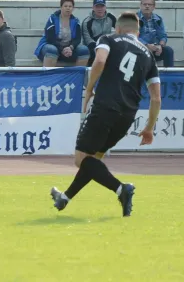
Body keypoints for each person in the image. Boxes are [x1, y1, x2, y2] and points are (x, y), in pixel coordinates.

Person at [49, 11, 162, 217]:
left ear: (118, 28)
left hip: (106, 106)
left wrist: (89, 89)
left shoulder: (109, 38)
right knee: (94, 159)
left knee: (81, 159)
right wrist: (149, 128)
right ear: (138, 31)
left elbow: (99, 61)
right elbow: (156, 98)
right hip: (127, 115)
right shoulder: (148, 55)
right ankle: (65, 198)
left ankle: (121, 189)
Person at [34, 0, 90, 67]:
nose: (68, 8)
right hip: (52, 47)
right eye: (65, 6)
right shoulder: (52, 19)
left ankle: (77, 76)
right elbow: (50, 38)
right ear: (61, 7)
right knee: (52, 49)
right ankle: (49, 76)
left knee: (84, 50)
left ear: (73, 8)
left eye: (70, 6)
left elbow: (77, 39)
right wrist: (62, 49)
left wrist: (70, 48)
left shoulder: (76, 21)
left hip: (68, 50)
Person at [81, 0, 116, 66]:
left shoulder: (111, 18)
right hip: (93, 46)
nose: (100, 9)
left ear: (105, 7)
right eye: (97, 7)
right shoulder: (87, 22)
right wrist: (100, 48)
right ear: (93, 8)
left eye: (102, 6)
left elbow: (118, 31)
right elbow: (88, 40)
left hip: (108, 43)